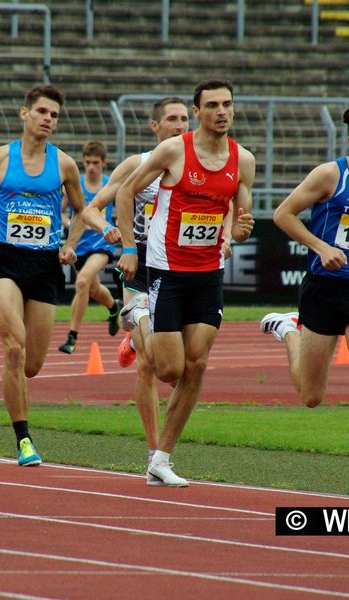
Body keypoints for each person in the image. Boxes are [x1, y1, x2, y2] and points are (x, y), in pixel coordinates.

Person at [116, 79, 256, 486]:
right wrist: (129, 246)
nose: (221, 112)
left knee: (196, 364)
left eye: (227, 104)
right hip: (166, 270)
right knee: (168, 369)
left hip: (209, 273)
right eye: (212, 105)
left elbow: (239, 217)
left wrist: (238, 231)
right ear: (198, 112)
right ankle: (138, 314)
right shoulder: (174, 150)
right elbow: (126, 192)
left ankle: (161, 459)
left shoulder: (242, 159)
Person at [0, 85, 85, 466]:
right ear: (25, 113)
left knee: (32, 365)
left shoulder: (64, 164)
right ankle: (24, 440)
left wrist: (70, 244)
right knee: (13, 345)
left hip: (46, 264)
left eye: (55, 115)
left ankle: (17, 388)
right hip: (5, 260)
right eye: (43, 112)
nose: (48, 119)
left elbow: (81, 211)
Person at [82, 97, 189, 482]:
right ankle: (153, 457)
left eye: (184, 119)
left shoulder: (194, 164)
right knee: (149, 365)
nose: (180, 125)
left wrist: (229, 232)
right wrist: (107, 229)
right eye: (172, 120)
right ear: (154, 127)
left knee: (177, 371)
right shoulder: (136, 164)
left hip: (180, 266)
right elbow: (91, 208)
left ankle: (132, 334)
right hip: (138, 263)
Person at [260, 110, 349, 408]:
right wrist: (321, 247)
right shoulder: (331, 175)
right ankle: (288, 330)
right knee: (311, 396)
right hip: (324, 288)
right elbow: (283, 214)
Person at [57, 141, 121, 354]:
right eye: (87, 162)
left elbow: (123, 209)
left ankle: (72, 337)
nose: (91, 166)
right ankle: (113, 308)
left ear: (104, 162)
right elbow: (62, 211)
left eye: (96, 163)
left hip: (101, 245)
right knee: (92, 289)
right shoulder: (77, 185)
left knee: (82, 281)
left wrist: (115, 227)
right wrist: (69, 223)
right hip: (79, 246)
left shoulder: (109, 184)